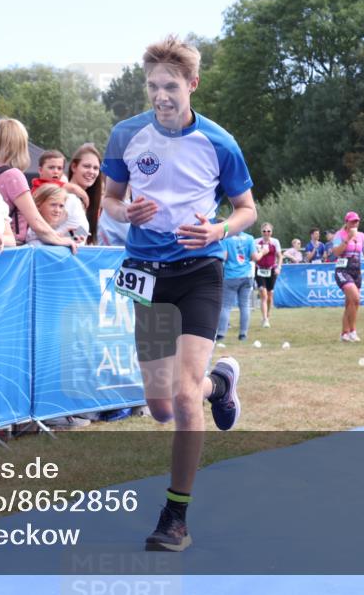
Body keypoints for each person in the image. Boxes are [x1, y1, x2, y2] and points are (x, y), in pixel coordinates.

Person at [101, 36, 256, 552]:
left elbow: (246, 209)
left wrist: (219, 231)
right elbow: (111, 201)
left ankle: (175, 517)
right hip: (148, 274)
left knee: (184, 398)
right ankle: (222, 382)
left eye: (170, 86)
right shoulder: (126, 135)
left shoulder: (219, 142)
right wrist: (127, 214)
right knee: (161, 405)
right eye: (152, 86)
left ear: (192, 84)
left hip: (199, 271)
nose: (161, 96)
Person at [0, 118, 77, 252]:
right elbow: (36, 222)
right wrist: (60, 240)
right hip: (13, 248)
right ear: (21, 144)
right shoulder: (13, 175)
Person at [333, 211, 364, 342]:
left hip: (356, 270)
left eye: (357, 221)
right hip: (343, 270)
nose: (355, 223)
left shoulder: (362, 236)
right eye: (352, 221)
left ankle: (344, 333)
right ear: (347, 222)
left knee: (350, 303)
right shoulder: (339, 235)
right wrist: (347, 238)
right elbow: (336, 253)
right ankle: (353, 331)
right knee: (356, 298)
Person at [216, 228, 256, 340]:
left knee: (226, 306)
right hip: (247, 275)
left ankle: (221, 334)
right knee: (244, 306)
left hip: (231, 276)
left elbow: (224, 257)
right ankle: (243, 334)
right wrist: (263, 252)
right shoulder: (250, 238)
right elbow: (254, 257)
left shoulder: (226, 239)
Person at [67, 143, 104, 243]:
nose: (92, 172)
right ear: (74, 167)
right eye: (87, 166)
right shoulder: (66, 198)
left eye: (96, 168)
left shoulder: (86, 202)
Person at [253, 223, 282, 328]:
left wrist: (279, 267)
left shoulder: (275, 242)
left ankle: (267, 315)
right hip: (259, 270)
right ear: (261, 231)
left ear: (271, 232)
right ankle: (265, 319)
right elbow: (253, 256)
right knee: (263, 294)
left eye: (268, 231)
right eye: (264, 231)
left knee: (270, 295)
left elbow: (279, 256)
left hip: (271, 270)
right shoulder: (256, 242)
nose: (266, 233)